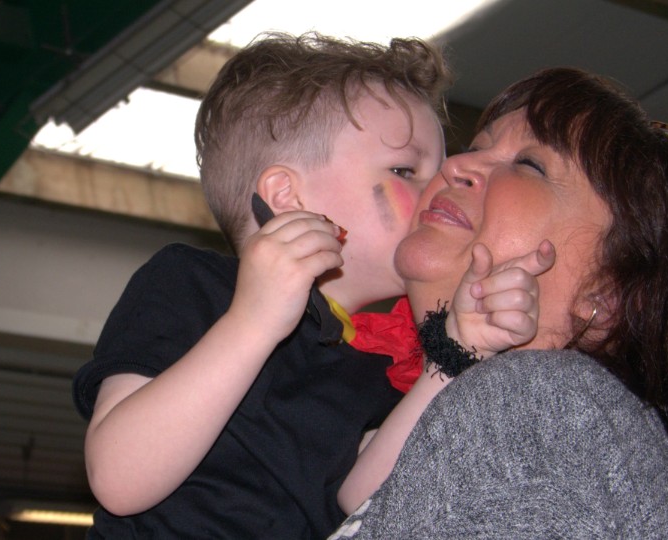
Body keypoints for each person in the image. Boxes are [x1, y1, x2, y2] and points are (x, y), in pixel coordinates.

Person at [332, 66, 668, 538]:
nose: (455, 165)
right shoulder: (386, 403)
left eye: (530, 164)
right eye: (477, 146)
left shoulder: (549, 403)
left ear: (608, 295)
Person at [71, 32, 458, 538]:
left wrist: (452, 359)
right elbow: (119, 479)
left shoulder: (383, 357)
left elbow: (364, 500)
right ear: (287, 197)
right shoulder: (194, 285)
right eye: (406, 170)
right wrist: (253, 322)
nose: (438, 192)